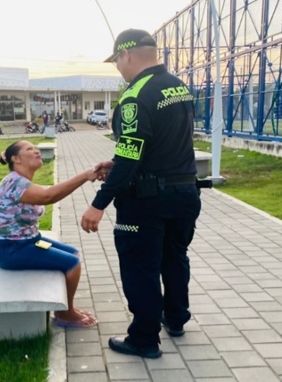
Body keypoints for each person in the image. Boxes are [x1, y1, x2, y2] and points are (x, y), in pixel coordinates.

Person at [80, 29, 202, 358]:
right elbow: (159, 144)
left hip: (147, 200)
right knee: (175, 257)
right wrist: (117, 162)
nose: (118, 67)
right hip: (185, 192)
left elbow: (132, 155)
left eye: (116, 61)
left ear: (126, 54)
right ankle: (175, 318)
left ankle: (144, 339)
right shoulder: (177, 86)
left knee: (140, 267)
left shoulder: (135, 95)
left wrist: (99, 203)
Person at [0, 140, 99, 328]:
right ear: (16, 159)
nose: (36, 151)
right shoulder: (13, 183)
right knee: (72, 264)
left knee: (73, 253)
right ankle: (65, 314)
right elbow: (48, 196)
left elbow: (48, 191)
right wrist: (85, 176)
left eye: (35, 148)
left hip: (29, 242)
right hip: (10, 249)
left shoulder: (22, 182)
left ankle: (64, 305)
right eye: (29, 149)